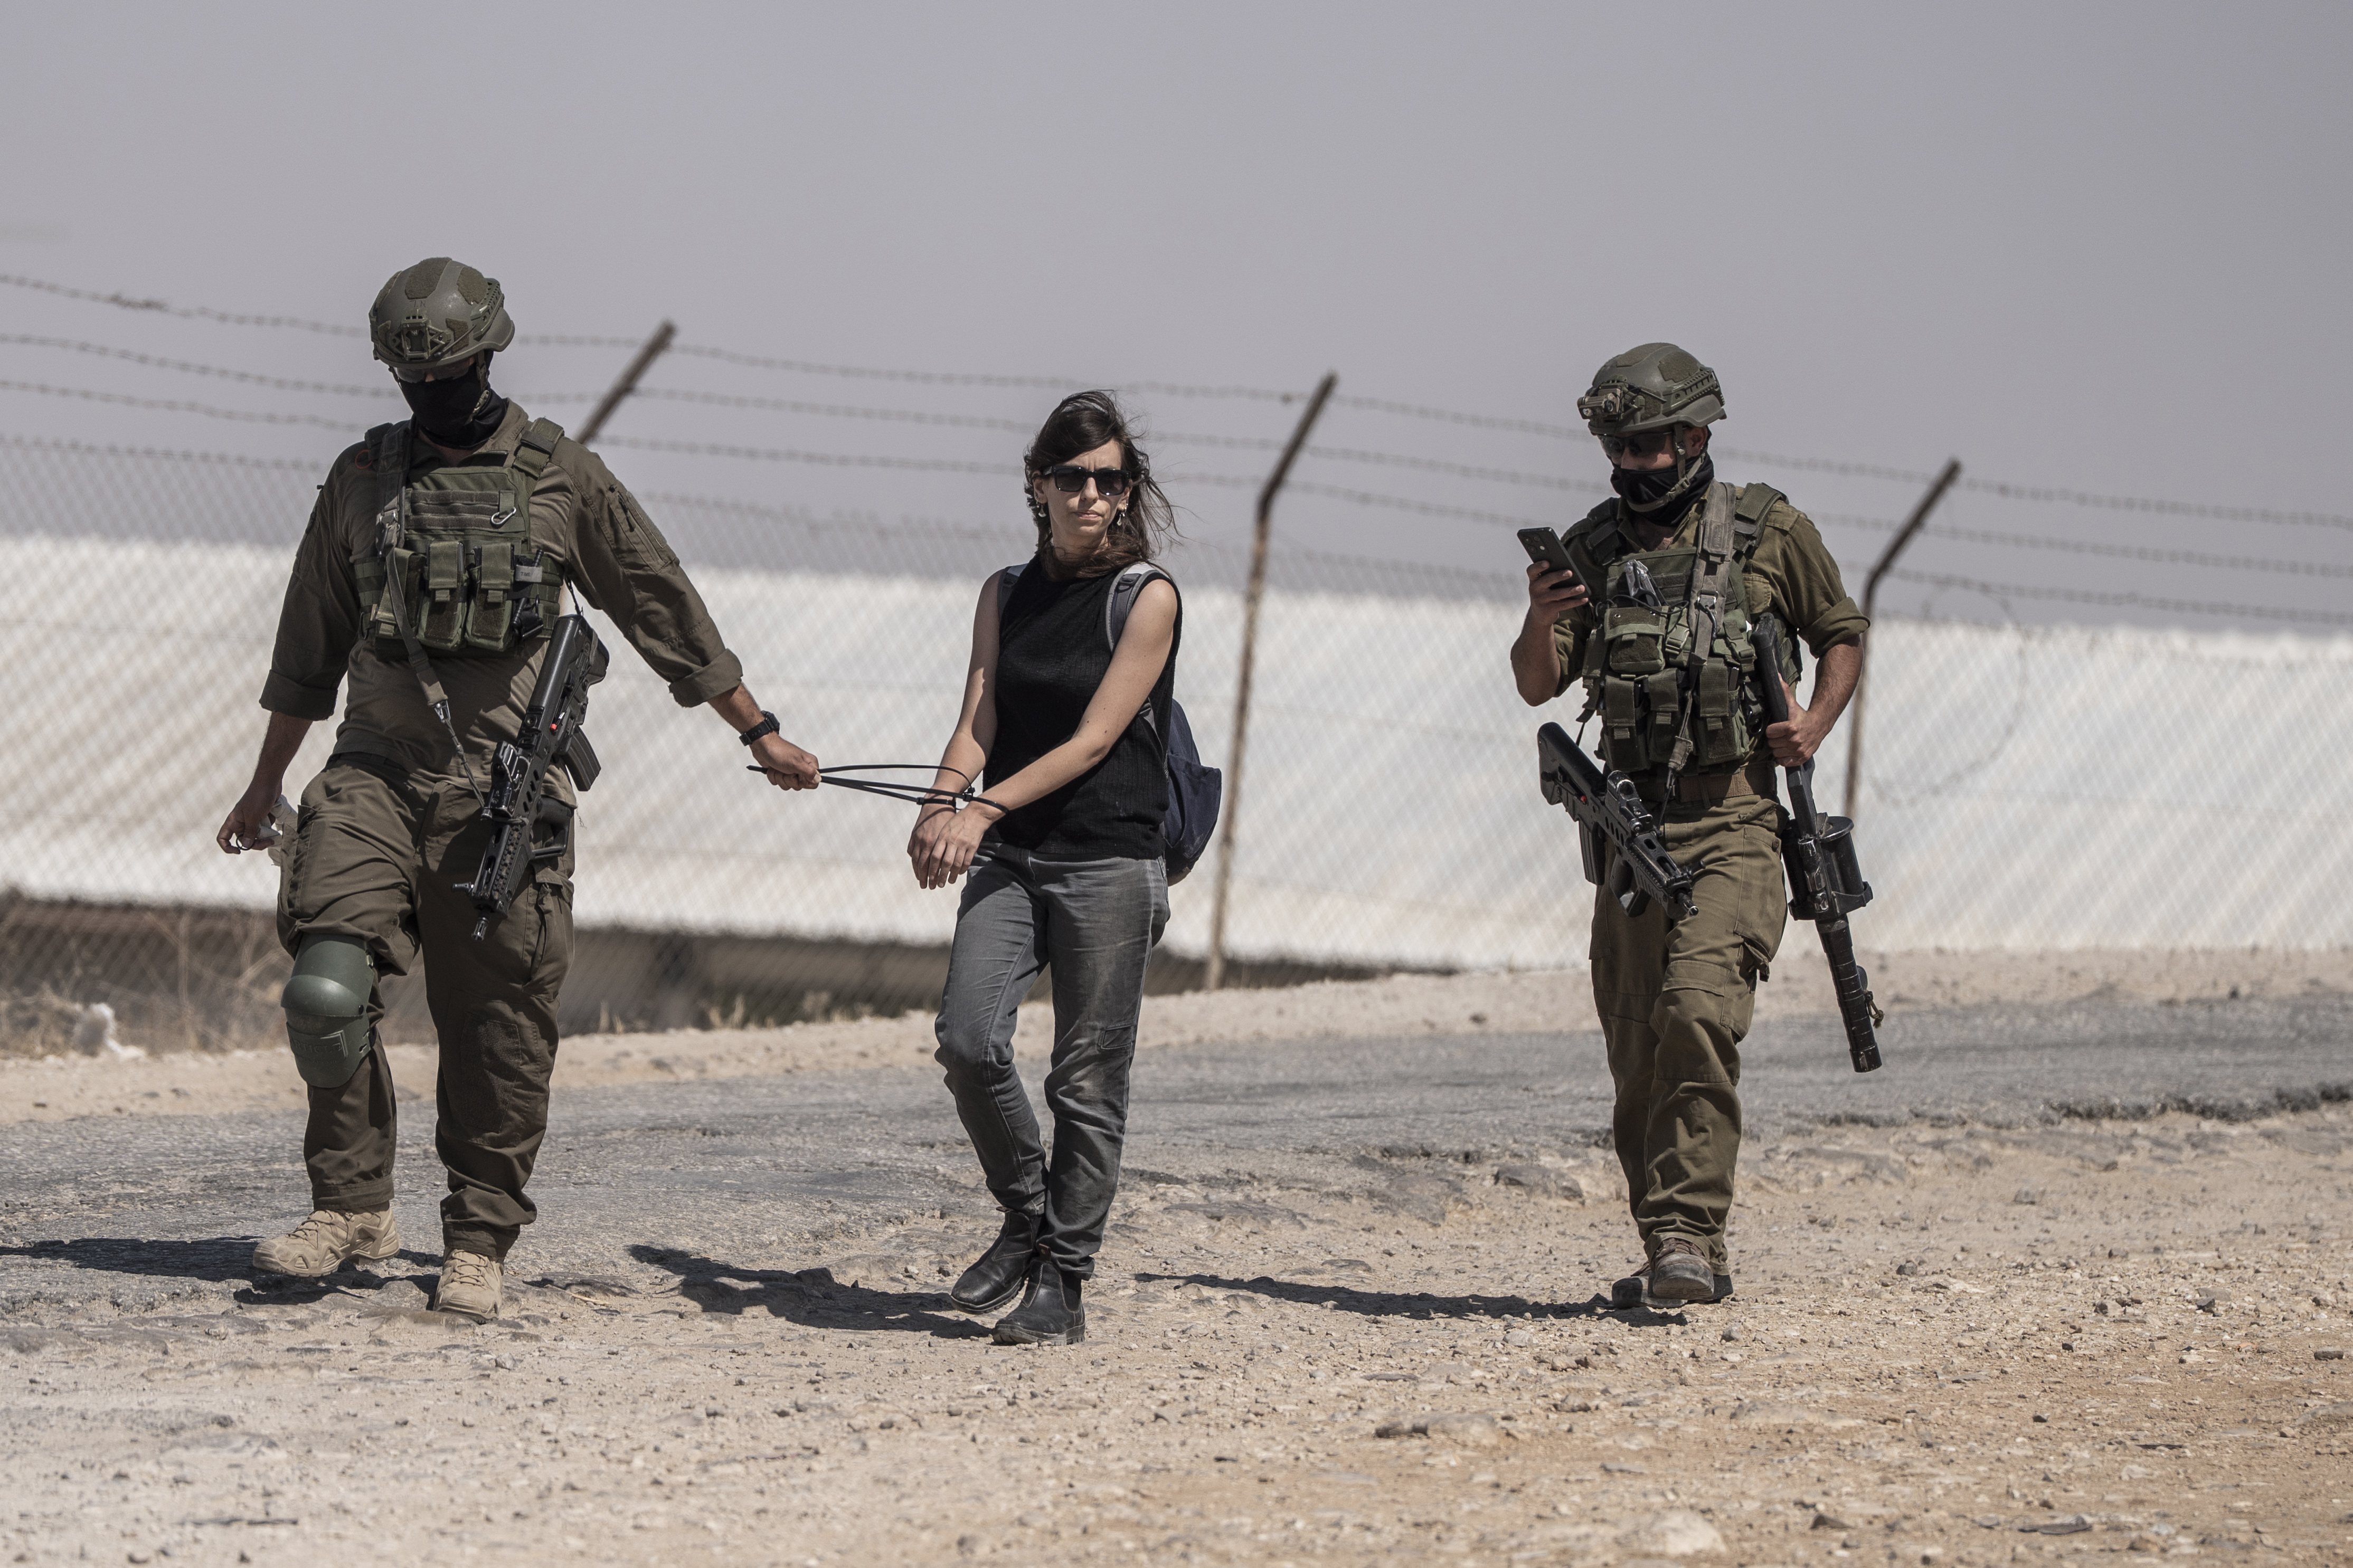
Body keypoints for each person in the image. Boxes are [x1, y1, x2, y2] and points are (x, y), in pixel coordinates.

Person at [214, 257, 820, 1320]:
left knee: (499, 1022)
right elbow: (308, 646)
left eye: (447, 371)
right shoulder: (363, 479)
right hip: (372, 775)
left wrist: (759, 729)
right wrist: (266, 783)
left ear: (489, 355)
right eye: (413, 377)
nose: (432, 393)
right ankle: (350, 1204)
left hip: (500, 792)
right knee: (324, 988)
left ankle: (480, 1232)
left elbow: (659, 604)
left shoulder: (558, 474)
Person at [1508, 343, 1867, 1308]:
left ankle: (1686, 1235)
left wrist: (1814, 722)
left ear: (1695, 436)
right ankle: (1667, 1235)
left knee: (1698, 1013)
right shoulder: (1591, 548)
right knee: (1635, 1048)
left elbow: (1841, 630)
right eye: (1617, 448)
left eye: (1649, 446)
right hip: (1631, 832)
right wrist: (1541, 616)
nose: (1632, 465)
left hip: (1737, 818)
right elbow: (1536, 683)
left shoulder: (1766, 532)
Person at [911, 390, 1180, 1347]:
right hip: (1015, 857)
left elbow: (1095, 738)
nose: (1091, 496)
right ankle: (1028, 1209)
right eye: (1072, 478)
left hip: (1109, 859)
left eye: (1110, 480)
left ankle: (1063, 1279)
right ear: (1038, 484)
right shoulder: (1003, 591)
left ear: (1128, 490)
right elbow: (978, 717)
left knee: (1085, 1079)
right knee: (968, 1040)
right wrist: (943, 799)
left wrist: (978, 809)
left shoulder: (1145, 598)